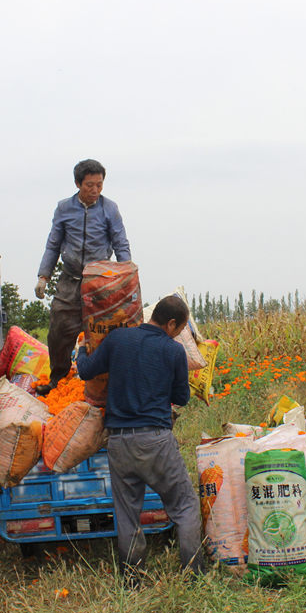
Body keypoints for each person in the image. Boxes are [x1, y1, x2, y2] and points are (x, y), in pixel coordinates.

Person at [75, 295, 203, 586]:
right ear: (171, 324)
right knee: (184, 506)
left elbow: (85, 370)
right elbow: (181, 398)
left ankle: (132, 579)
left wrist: (82, 350)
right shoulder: (173, 351)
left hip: (119, 442)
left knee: (127, 513)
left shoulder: (118, 339)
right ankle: (195, 575)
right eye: (179, 328)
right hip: (156, 440)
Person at [34, 159, 131, 394]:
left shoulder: (110, 208)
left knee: (103, 330)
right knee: (59, 329)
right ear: (78, 183)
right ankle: (58, 378)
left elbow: (120, 242)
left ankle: (102, 381)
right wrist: (43, 276)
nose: (95, 190)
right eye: (90, 185)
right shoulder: (64, 208)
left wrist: (126, 275)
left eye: (99, 185)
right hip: (70, 278)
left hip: (100, 280)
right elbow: (53, 244)